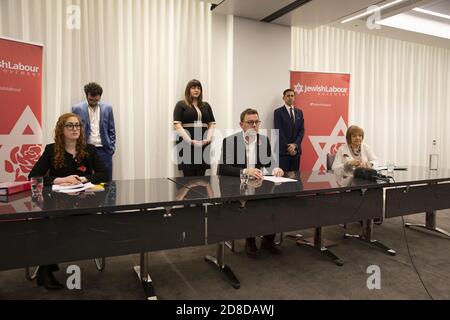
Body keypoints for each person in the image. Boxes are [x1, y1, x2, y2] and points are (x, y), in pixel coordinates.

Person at [29, 113, 108, 290]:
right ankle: (46, 268)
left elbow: (104, 174)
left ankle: (48, 263)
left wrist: (84, 179)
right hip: (57, 204)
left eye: (77, 126)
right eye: (70, 126)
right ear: (61, 130)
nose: (74, 129)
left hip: (85, 202)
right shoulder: (51, 150)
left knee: (76, 225)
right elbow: (34, 176)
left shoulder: (89, 150)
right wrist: (60, 180)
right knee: (51, 225)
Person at [218, 108, 284, 258]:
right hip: (237, 186)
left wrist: (276, 168)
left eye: (256, 122)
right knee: (253, 204)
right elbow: (223, 168)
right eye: (250, 122)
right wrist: (245, 171)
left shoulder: (263, 140)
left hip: (258, 185)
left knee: (277, 200)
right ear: (241, 125)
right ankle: (250, 240)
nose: (254, 125)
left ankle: (268, 240)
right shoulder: (230, 141)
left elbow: (270, 162)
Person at [72, 82, 115, 181]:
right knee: (84, 178)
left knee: (106, 178)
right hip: (85, 148)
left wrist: (111, 148)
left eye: (96, 100)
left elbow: (111, 129)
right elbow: (74, 127)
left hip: (104, 149)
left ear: (100, 97)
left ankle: (109, 197)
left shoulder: (108, 108)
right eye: (91, 99)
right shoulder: (77, 108)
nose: (93, 102)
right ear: (86, 95)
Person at [173, 79, 216, 176]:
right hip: (186, 143)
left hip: (204, 143)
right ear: (188, 90)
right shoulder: (181, 104)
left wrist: (208, 139)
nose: (196, 90)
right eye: (193, 88)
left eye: (198, 88)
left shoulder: (206, 105)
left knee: (202, 175)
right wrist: (189, 140)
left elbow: (212, 123)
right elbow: (177, 124)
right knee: (188, 176)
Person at [274, 89, 305, 172]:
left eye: (292, 96)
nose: (290, 98)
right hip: (284, 152)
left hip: (296, 151)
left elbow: (301, 131)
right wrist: (289, 147)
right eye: (288, 96)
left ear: (294, 98)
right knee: (283, 179)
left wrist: (295, 145)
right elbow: (278, 131)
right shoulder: (278, 112)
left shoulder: (299, 112)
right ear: (283, 98)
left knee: (295, 179)